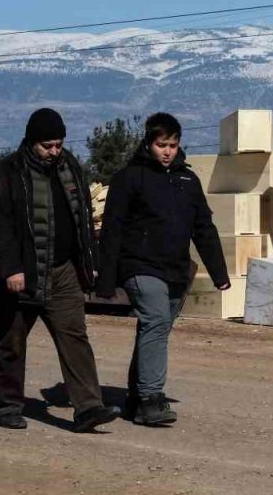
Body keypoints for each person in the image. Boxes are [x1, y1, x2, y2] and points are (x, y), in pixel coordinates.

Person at [0, 108, 119, 432]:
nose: (54, 152)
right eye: (48, 146)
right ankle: (8, 404)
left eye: (58, 145)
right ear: (32, 142)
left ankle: (88, 407)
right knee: (12, 341)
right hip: (22, 274)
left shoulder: (70, 167)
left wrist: (89, 263)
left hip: (63, 272)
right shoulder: (7, 173)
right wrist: (11, 269)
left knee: (75, 337)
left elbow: (82, 218)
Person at [96, 112, 230, 426]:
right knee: (155, 321)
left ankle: (135, 396)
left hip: (175, 269)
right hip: (139, 266)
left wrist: (219, 273)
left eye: (172, 144)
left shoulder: (188, 180)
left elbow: (203, 228)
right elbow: (112, 230)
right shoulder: (130, 178)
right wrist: (105, 279)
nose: (167, 151)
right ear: (148, 143)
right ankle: (150, 399)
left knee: (155, 331)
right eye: (161, 145)